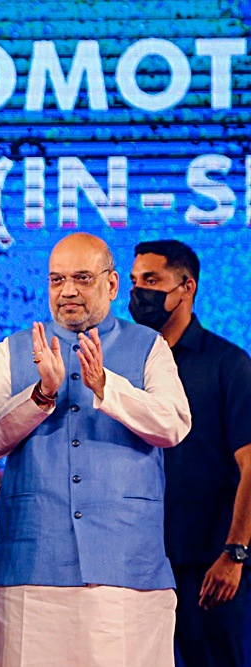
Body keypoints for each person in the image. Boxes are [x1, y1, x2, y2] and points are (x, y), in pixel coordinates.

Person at [0, 232, 192, 667]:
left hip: (126, 566)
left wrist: (108, 388)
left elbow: (174, 423)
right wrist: (40, 395)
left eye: (82, 278)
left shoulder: (148, 346)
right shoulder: (13, 350)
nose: (67, 291)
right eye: (56, 279)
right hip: (30, 564)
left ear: (112, 284)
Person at [130, 240, 251, 667]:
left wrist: (234, 552)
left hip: (209, 565)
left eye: (151, 281)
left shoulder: (228, 364)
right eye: (133, 282)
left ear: (186, 287)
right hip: (139, 562)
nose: (138, 294)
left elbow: (250, 465)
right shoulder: (128, 364)